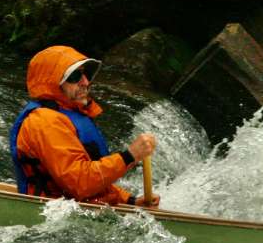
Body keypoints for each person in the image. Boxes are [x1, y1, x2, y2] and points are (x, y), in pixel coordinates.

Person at [9, 45, 160, 207]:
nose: (86, 82)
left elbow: (93, 180)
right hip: (52, 212)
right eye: (74, 76)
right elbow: (80, 182)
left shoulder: (68, 114)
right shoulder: (45, 122)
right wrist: (130, 156)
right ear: (53, 82)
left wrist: (130, 200)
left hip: (73, 208)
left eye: (85, 74)